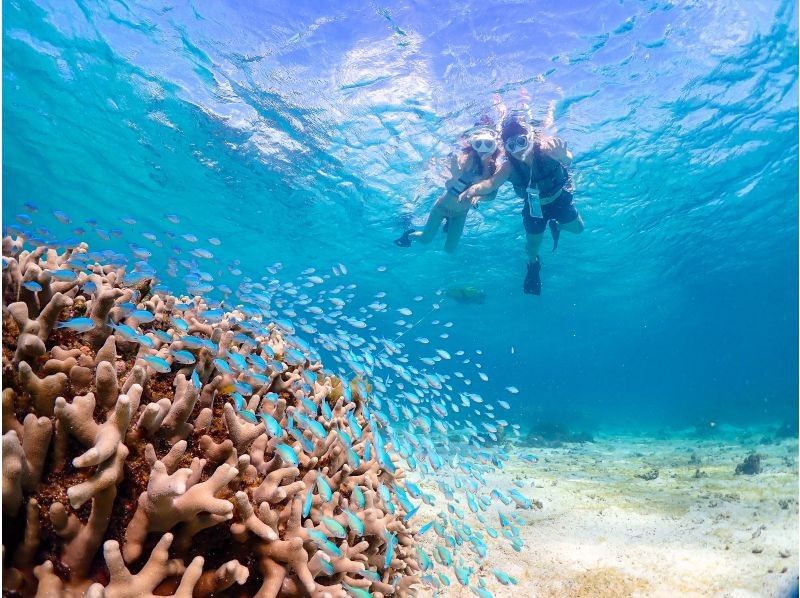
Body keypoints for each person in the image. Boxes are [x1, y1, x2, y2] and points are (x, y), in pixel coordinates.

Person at [460, 113, 584, 294]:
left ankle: (557, 226)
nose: (517, 149)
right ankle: (533, 266)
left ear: (531, 138)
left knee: (579, 229)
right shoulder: (508, 167)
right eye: (511, 145)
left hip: (559, 199)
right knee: (532, 247)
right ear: (507, 149)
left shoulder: (547, 151)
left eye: (521, 141)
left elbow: (567, 159)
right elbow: (491, 183)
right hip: (534, 209)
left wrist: (564, 156)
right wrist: (473, 190)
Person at [395, 127, 502, 253]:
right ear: (474, 145)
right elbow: (452, 173)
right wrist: (455, 171)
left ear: (494, 147)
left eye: (488, 144)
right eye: (479, 144)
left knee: (450, 249)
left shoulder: (494, 169)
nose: (483, 149)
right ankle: (408, 235)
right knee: (425, 240)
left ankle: (447, 225)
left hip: (460, 214)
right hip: (442, 208)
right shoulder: (467, 159)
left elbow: (492, 195)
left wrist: (479, 197)